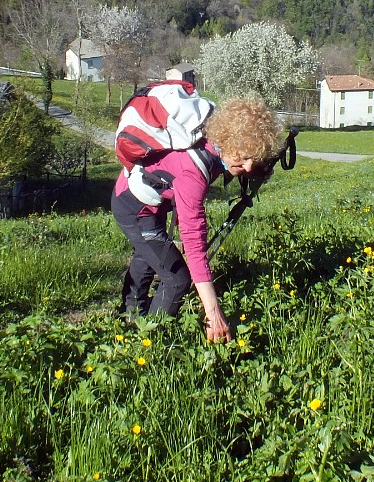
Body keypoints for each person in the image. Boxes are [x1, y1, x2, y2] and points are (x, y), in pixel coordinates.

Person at [112, 96, 282, 342]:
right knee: (177, 279)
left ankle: (130, 315)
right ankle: (149, 339)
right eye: (242, 158)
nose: (246, 167)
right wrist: (213, 313)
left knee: (148, 255)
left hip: (147, 199)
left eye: (253, 160)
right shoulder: (193, 172)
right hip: (133, 207)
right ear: (227, 140)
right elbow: (194, 245)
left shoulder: (211, 139)